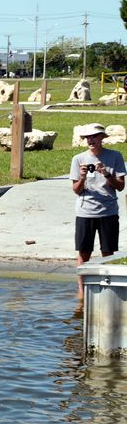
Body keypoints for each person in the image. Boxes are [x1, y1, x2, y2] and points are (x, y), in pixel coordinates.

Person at [71, 122, 126, 299]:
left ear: (102, 138)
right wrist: (82, 177)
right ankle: (81, 291)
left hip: (108, 212)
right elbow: (76, 190)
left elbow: (120, 187)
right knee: (83, 252)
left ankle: (106, 292)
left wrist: (106, 174)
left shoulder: (115, 156)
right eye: (87, 137)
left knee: (108, 253)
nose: (90, 139)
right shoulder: (78, 159)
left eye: (94, 136)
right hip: (85, 212)